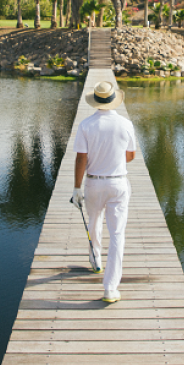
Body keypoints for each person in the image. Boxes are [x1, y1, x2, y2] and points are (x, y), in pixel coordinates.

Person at [72, 81, 136, 303]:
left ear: (95, 102)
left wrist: (76, 187)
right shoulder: (125, 124)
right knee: (117, 234)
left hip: (93, 183)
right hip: (118, 184)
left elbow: (81, 158)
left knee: (94, 221)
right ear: (113, 99)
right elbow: (131, 155)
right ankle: (110, 288)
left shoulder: (86, 125)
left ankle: (95, 259)